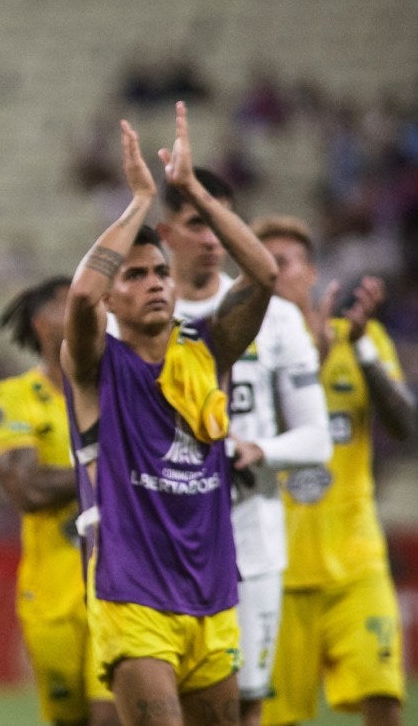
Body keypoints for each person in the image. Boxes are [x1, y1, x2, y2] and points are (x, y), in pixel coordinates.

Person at [62, 103, 277, 725]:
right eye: (135, 275)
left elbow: (262, 275)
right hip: (132, 595)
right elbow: (80, 293)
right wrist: (139, 202)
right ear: (112, 297)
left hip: (212, 593)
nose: (155, 282)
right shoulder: (97, 365)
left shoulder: (207, 352)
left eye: (161, 272)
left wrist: (192, 193)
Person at [158, 169, 331, 726]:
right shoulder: (139, 318)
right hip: (162, 538)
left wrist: (260, 449)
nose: (211, 238)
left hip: (251, 538)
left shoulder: (278, 320)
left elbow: (316, 438)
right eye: (196, 223)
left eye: (219, 223)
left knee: (246, 704)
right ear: (166, 232)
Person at [255, 217, 415, 726]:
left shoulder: (361, 339)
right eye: (263, 265)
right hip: (278, 570)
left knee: (384, 699)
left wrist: (363, 348)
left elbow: (406, 426)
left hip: (356, 563)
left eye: (285, 263)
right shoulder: (246, 352)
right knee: (274, 718)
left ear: (311, 273)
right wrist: (311, 364)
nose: (274, 274)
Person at [0, 276, 117, 726]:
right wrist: (114, 468)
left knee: (113, 714)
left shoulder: (119, 391)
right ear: (42, 324)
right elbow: (28, 490)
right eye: (70, 304)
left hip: (120, 586)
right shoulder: (13, 397)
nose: (87, 310)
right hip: (53, 593)